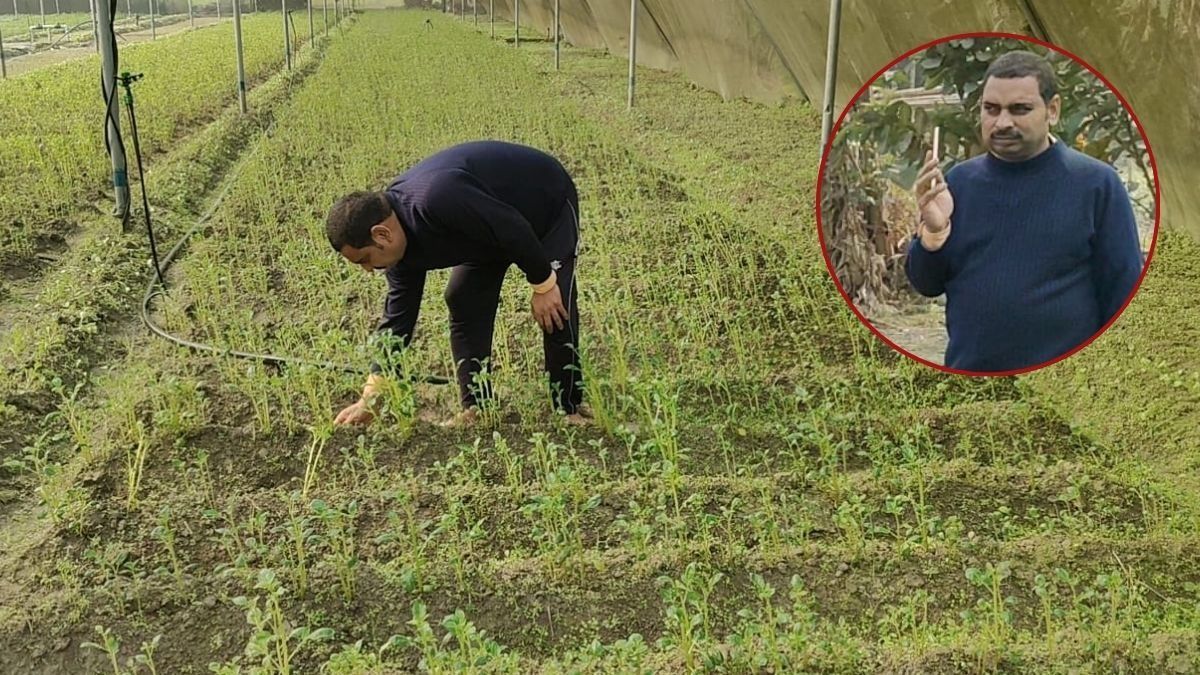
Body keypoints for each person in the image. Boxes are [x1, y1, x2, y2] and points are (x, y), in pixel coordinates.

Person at [907, 50, 1143, 372]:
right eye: (991, 109)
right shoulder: (958, 184)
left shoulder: (1095, 184)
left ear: (1053, 110)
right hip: (971, 379)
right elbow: (927, 284)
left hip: (1065, 385)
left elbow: (1123, 292)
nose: (1002, 122)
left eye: (1020, 109)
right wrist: (933, 235)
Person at [326, 140, 588, 427]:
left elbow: (511, 226)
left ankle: (568, 409)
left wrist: (543, 284)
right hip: (486, 228)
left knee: (554, 304)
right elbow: (397, 320)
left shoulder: (437, 198)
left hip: (543, 203)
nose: (367, 270)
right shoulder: (399, 252)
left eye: (364, 259)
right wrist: (372, 394)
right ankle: (478, 407)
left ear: (381, 234)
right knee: (464, 299)